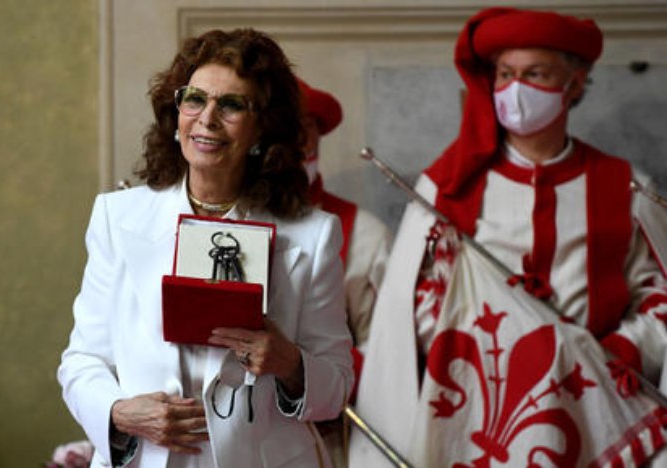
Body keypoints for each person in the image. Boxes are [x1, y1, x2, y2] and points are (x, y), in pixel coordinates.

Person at [350, 7, 667, 467]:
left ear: (574, 84)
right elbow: (407, 313)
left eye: (535, 74)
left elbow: (658, 294)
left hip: (595, 409)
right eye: (505, 74)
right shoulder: (448, 186)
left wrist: (632, 345)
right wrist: (503, 316)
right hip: (470, 415)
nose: (516, 90)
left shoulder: (625, 187)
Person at [58, 28, 354, 468]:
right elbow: (82, 361)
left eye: (232, 105)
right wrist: (120, 414)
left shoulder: (315, 235)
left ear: (262, 130)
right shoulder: (116, 219)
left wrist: (290, 363)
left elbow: (337, 387)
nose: (207, 118)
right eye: (194, 99)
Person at [296, 78, 392, 467]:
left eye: (301, 134)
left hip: (335, 442)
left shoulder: (365, 234)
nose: (291, 149)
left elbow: (388, 349)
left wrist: (311, 372)